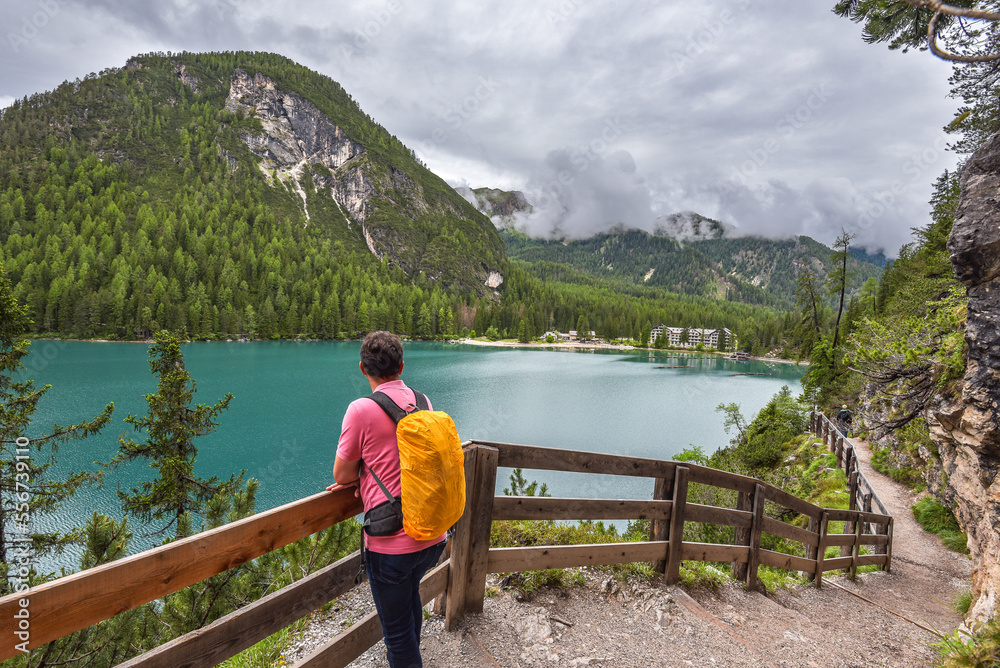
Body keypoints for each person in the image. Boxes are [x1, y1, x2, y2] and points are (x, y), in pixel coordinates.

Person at [327, 331, 446, 668]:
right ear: (401, 366)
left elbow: (342, 474)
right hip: (432, 535)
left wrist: (360, 476)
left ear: (363, 368)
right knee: (409, 604)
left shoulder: (360, 410)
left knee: (396, 635)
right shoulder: (423, 402)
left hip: (391, 544)